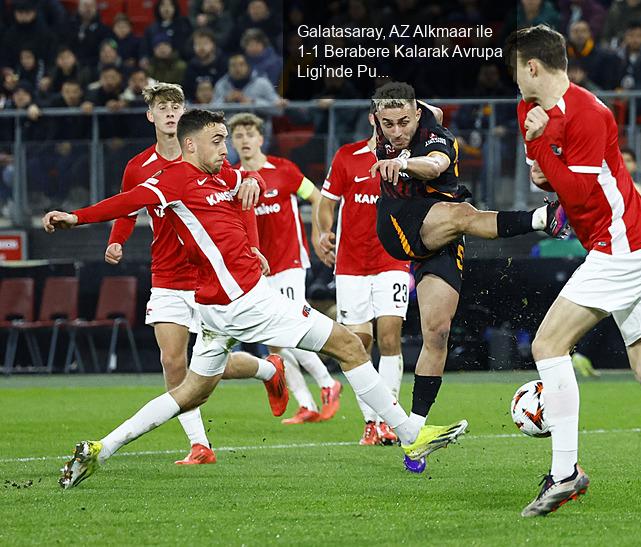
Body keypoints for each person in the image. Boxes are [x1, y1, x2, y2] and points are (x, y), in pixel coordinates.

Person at [45, 109, 469, 488]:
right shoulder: (173, 179)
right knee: (348, 345)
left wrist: (250, 181)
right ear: (190, 144)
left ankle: (102, 448)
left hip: (215, 307)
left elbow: (253, 177)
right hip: (245, 302)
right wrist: (75, 218)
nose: (226, 148)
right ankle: (411, 436)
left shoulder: (222, 175)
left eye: (227, 140)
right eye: (217, 141)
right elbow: (128, 201)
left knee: (191, 391)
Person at [507, 24, 641, 517]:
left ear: (532, 66)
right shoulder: (527, 111)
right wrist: (540, 151)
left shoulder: (590, 113)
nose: (513, 78)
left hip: (624, 249)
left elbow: (574, 193)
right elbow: (547, 177)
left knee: (547, 345)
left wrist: (541, 148)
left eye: (515, 68)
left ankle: (565, 474)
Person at [371, 82, 568, 469]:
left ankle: (414, 433)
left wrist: (405, 162)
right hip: (399, 223)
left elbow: (436, 165)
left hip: (440, 231)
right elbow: (403, 110)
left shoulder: (437, 136)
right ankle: (542, 218)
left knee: (438, 331)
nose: (396, 131)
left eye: (404, 122)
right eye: (388, 124)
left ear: (417, 115)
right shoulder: (387, 118)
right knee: (464, 217)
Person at [103, 83, 278, 465]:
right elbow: (126, 207)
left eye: (176, 106)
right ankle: (200, 445)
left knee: (210, 366)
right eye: (162, 107)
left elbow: (244, 194)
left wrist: (252, 245)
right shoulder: (138, 167)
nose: (170, 112)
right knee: (172, 362)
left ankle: (268, 369)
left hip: (210, 278)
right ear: (150, 115)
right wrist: (117, 240)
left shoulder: (208, 158)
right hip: (167, 275)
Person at [229, 112, 343, 425]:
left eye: (250, 134)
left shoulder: (283, 170)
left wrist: (322, 231)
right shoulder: (232, 178)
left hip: (289, 262)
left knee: (290, 328)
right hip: (257, 270)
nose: (244, 141)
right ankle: (306, 404)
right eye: (238, 136)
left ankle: (327, 383)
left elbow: (317, 196)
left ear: (261, 138)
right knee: (275, 339)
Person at [316, 105, 413, 446]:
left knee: (389, 336)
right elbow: (326, 203)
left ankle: (387, 422)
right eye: (385, 119)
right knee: (358, 345)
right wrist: (322, 233)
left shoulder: (409, 161)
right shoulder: (347, 156)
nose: (392, 127)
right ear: (374, 119)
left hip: (393, 259)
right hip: (351, 264)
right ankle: (370, 422)